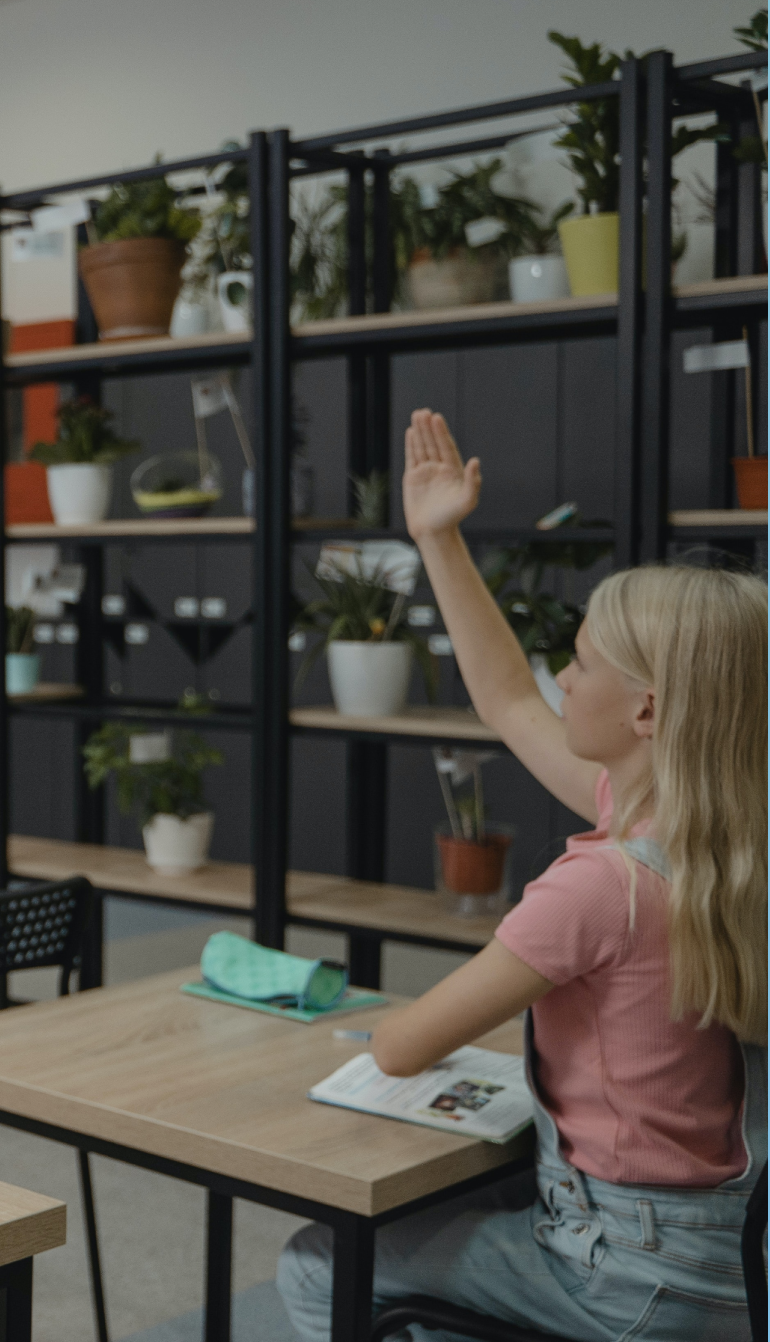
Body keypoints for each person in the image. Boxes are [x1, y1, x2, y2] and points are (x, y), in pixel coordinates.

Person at [276, 409, 765, 1342]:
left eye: (580, 665)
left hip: (624, 1272)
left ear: (647, 711)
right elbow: (505, 697)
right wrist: (438, 538)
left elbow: (401, 1047)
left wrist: (387, 1032)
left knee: (317, 1266)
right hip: (731, 1260)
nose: (562, 682)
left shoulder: (603, 887)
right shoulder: (723, 835)